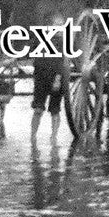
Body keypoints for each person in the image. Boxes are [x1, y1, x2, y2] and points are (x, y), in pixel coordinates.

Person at [30, 11, 67, 144]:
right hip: (41, 77)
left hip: (56, 78)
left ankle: (54, 136)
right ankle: (33, 136)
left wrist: (57, 79)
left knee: (55, 109)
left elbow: (62, 61)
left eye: (61, 25)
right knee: (38, 109)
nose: (60, 28)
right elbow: (29, 52)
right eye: (57, 25)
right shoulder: (40, 38)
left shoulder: (63, 41)